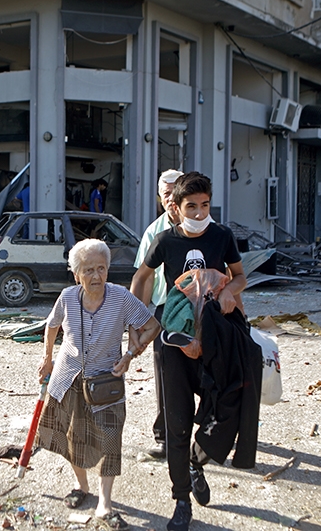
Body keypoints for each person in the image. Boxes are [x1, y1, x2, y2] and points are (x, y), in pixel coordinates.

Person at [129, 172, 250, 531]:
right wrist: (137, 321)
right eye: (191, 206)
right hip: (176, 340)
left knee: (226, 409)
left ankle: (197, 460)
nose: (199, 213)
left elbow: (240, 275)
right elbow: (142, 277)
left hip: (215, 335)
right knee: (178, 423)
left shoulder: (222, 236)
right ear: (177, 208)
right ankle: (181, 499)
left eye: (205, 205)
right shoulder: (166, 240)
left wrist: (228, 291)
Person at [37, 239, 160, 531]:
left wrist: (130, 355)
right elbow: (52, 325)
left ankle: (105, 503)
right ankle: (81, 486)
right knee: (71, 436)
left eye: (102, 268)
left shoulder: (120, 297)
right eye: (89, 270)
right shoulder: (67, 297)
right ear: (76, 275)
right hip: (68, 377)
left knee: (110, 439)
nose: (97, 276)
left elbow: (152, 326)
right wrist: (47, 359)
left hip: (106, 380)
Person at [133, 169, 183, 459]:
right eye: (166, 194)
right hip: (167, 310)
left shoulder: (207, 227)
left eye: (177, 192)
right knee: (166, 376)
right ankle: (165, 438)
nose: (172, 199)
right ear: (160, 198)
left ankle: (212, 431)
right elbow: (144, 278)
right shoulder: (155, 232)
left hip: (203, 309)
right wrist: (139, 323)